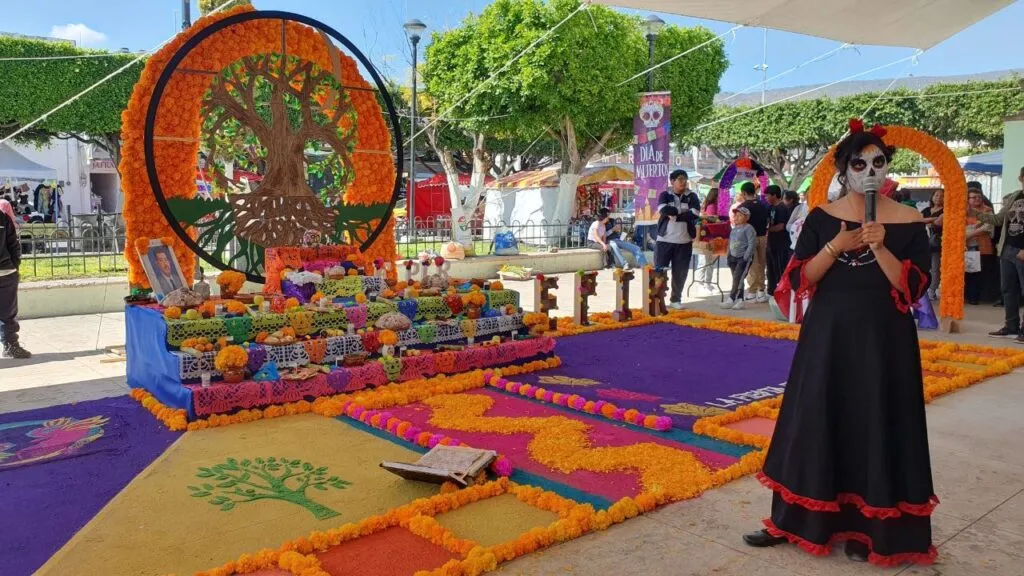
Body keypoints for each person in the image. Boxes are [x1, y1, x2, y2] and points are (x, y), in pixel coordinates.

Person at [743, 123, 937, 566]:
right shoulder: (821, 218)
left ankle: (872, 530)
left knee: (878, 422)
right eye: (858, 164)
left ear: (888, 167)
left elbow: (912, 290)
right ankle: (796, 522)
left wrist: (881, 247)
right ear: (843, 170)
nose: (869, 172)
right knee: (815, 421)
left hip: (884, 344)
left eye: (878, 163)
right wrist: (836, 245)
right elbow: (797, 281)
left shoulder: (908, 220)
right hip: (827, 340)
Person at [970, 167, 1024, 340]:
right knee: (1008, 290)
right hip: (1007, 248)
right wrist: (974, 213)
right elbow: (998, 219)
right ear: (1021, 177)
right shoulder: (1014, 196)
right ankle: (1011, 326)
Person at [655, 170, 700, 309]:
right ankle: (657, 299)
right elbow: (663, 209)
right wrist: (682, 213)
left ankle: (675, 299)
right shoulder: (665, 195)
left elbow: (695, 213)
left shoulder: (692, 196)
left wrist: (675, 215)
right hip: (664, 240)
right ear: (672, 181)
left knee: (680, 272)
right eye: (680, 179)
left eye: (685, 179)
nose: (683, 182)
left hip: (684, 242)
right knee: (659, 271)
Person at [1, 202, 30, 358]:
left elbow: (13, 245)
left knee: (8, 314)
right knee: (8, 313)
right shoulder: (3, 217)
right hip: (6, 271)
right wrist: (14, 265)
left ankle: (10, 345)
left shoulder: (3, 217)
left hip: (6, 272)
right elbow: (14, 245)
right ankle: (10, 345)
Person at [739, 182, 770, 302]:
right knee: (762, 264)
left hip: (749, 238)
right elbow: (767, 220)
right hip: (763, 236)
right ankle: (761, 291)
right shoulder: (763, 205)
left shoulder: (743, 207)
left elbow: (740, 223)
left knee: (752, 265)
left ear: (744, 193)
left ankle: (752, 292)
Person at [965, 184, 995, 305]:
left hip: (982, 246)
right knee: (967, 272)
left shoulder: (987, 210)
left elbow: (988, 227)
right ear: (968, 199)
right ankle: (967, 296)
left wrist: (969, 233)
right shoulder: (963, 211)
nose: (977, 199)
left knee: (979, 273)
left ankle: (976, 297)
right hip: (965, 246)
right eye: (973, 197)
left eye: (979, 197)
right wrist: (975, 228)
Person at [721, 206, 755, 310]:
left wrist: (746, 257)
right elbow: (730, 242)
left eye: (740, 215)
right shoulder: (734, 229)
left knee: (737, 278)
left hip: (743, 258)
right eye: (736, 215)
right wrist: (728, 255)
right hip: (733, 257)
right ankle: (740, 300)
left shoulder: (748, 228)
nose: (737, 217)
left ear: (747, 217)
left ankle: (731, 298)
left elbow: (751, 243)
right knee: (737, 279)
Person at [765, 186, 791, 296]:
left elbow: (781, 226)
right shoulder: (770, 208)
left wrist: (768, 230)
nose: (766, 197)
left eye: (768, 195)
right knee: (770, 268)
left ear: (775, 195)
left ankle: (783, 291)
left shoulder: (782, 208)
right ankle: (771, 290)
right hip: (771, 244)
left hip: (781, 244)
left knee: (780, 268)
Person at [696, 187, 721, 293]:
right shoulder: (712, 207)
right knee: (705, 261)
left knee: (709, 261)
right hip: (708, 237)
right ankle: (701, 283)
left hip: (710, 237)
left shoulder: (713, 206)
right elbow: (713, 222)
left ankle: (707, 283)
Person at [921, 189, 943, 300]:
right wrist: (933, 220)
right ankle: (925, 288)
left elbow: (939, 222)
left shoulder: (945, 210)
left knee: (935, 267)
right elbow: (919, 220)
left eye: (941, 196)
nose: (938, 197)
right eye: (936, 195)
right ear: (932, 197)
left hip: (937, 242)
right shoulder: (926, 209)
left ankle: (932, 289)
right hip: (924, 241)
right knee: (925, 266)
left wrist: (928, 221)